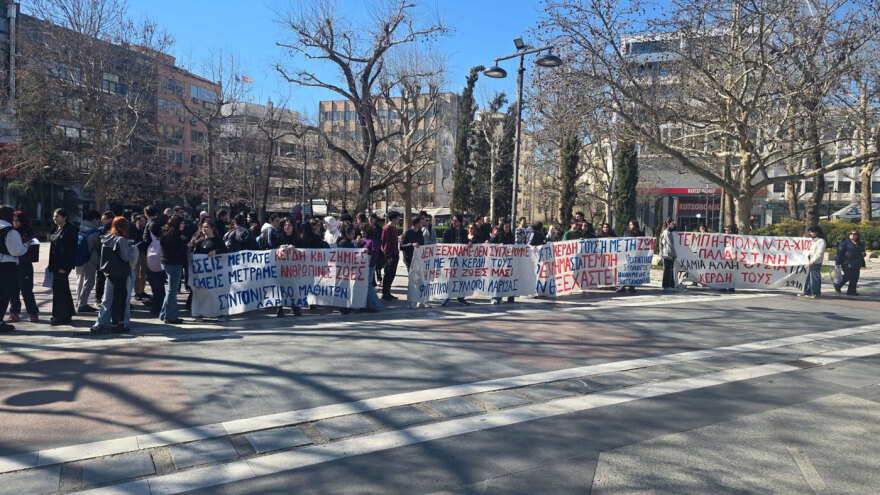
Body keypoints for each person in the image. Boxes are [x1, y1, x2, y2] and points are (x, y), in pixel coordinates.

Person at [93, 217, 135, 334]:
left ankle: (102, 322)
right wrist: (131, 249)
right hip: (121, 273)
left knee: (107, 299)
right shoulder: (121, 239)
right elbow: (126, 257)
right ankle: (119, 323)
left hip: (110, 272)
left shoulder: (107, 238)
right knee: (121, 299)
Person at [190, 219, 228, 321]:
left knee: (215, 293)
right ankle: (200, 313)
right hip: (202, 275)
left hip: (215, 274)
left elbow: (226, 252)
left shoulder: (218, 241)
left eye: (206, 227)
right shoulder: (199, 242)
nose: (204, 229)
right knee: (202, 293)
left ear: (212, 229)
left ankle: (220, 313)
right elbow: (195, 254)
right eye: (203, 227)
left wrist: (217, 251)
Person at [7, 211, 40, 324]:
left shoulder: (29, 231)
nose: (15, 223)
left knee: (26, 290)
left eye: (17, 221)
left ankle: (33, 312)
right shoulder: (10, 231)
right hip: (11, 264)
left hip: (24, 264)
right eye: (13, 221)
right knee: (13, 290)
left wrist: (22, 242)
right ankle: (14, 312)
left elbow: (33, 242)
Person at [0, 206, 28, 332]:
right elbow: (16, 251)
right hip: (6, 265)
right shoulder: (10, 231)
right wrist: (25, 246)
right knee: (5, 294)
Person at [48, 208, 78, 325]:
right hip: (55, 265)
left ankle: (61, 316)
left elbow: (70, 251)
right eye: (54, 216)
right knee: (62, 288)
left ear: (64, 217)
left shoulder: (70, 230)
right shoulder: (55, 229)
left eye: (57, 216)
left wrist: (64, 267)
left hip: (63, 266)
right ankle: (66, 313)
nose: (55, 218)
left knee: (60, 289)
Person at [159, 215, 188, 324]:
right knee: (172, 291)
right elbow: (176, 251)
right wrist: (187, 246)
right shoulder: (174, 235)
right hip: (173, 263)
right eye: (182, 223)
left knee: (171, 290)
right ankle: (170, 316)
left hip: (165, 262)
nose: (183, 225)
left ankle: (164, 314)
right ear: (177, 223)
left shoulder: (166, 232)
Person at [441, 214, 472, 306]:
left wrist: (470, 242)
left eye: (455, 221)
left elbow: (465, 242)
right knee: (449, 278)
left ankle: (460, 297)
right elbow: (443, 244)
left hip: (461, 258)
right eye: (453, 220)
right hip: (450, 259)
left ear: (460, 222)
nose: (453, 222)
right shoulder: (448, 231)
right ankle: (447, 297)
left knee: (460, 277)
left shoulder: (463, 231)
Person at [74, 210, 102, 313]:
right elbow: (99, 247)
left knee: (79, 280)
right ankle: (83, 304)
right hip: (90, 260)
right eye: (98, 220)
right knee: (89, 282)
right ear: (94, 220)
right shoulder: (95, 232)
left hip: (79, 258)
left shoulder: (80, 229)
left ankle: (78, 301)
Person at [400, 216, 424, 309]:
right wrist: (411, 245)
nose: (422, 224)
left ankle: (420, 299)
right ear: (417, 223)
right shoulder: (407, 232)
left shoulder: (420, 232)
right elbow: (401, 246)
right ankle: (412, 300)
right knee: (412, 280)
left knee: (420, 279)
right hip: (410, 259)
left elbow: (422, 244)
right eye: (420, 222)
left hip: (418, 259)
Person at [358, 223, 382, 312]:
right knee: (365, 285)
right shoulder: (363, 240)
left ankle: (376, 305)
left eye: (362, 231)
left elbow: (374, 255)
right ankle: (367, 304)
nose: (361, 232)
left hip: (369, 266)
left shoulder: (373, 241)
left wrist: (368, 256)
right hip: (363, 266)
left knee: (368, 284)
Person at [490, 222, 516, 304]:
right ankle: (494, 298)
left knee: (505, 280)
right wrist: (498, 245)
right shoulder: (497, 235)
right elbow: (490, 243)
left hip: (507, 261)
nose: (507, 228)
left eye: (508, 227)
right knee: (497, 279)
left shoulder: (510, 236)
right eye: (506, 226)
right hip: (498, 262)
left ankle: (504, 297)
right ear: (502, 227)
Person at [834, 229, 866, 296]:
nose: (853, 235)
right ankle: (838, 285)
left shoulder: (859, 243)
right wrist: (837, 263)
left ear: (857, 236)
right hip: (846, 262)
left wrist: (863, 253)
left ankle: (851, 291)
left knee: (855, 277)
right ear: (849, 235)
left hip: (857, 263)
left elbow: (862, 251)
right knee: (848, 276)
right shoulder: (845, 243)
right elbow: (839, 253)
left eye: (855, 234)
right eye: (851, 234)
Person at [94, 210, 114, 306]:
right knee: (102, 278)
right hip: (106, 257)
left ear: (110, 219)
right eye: (102, 219)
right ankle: (100, 297)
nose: (102, 220)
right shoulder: (102, 228)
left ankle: (99, 297)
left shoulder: (107, 228)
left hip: (104, 257)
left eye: (104, 219)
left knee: (101, 277)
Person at [617, 220, 644, 293]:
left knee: (633, 271)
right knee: (625, 270)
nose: (630, 226)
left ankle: (632, 286)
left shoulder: (640, 233)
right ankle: (622, 286)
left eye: (631, 224)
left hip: (636, 255)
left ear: (635, 225)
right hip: (627, 255)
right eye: (629, 224)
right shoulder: (627, 233)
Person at [799, 226, 826, 299]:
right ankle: (806, 291)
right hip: (807, 261)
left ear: (818, 232)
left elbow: (819, 253)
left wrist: (813, 261)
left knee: (814, 278)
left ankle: (815, 292)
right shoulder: (810, 240)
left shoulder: (820, 241)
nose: (812, 233)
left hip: (815, 262)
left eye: (813, 231)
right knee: (806, 277)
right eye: (810, 232)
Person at [380, 211, 401, 301]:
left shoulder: (394, 228)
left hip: (395, 253)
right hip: (390, 254)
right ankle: (385, 293)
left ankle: (388, 292)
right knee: (388, 274)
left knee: (392, 274)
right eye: (397, 218)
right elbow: (385, 243)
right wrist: (388, 256)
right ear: (392, 219)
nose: (399, 220)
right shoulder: (387, 228)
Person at [131, 214, 149, 301]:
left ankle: (142, 290)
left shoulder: (145, 230)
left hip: (144, 253)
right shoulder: (133, 230)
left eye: (144, 221)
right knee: (136, 273)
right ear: (136, 221)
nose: (143, 223)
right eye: (141, 221)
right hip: (136, 252)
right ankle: (136, 292)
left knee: (143, 273)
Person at [659, 218, 677, 292]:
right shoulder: (667, 232)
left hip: (667, 253)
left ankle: (669, 284)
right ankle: (666, 284)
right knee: (667, 270)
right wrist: (674, 254)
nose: (673, 225)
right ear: (668, 224)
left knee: (669, 269)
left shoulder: (668, 232)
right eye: (672, 223)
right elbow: (670, 244)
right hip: (667, 254)